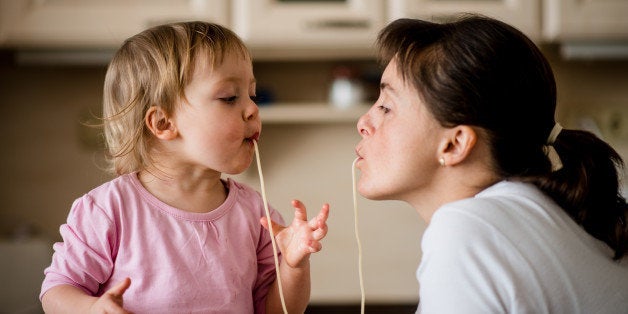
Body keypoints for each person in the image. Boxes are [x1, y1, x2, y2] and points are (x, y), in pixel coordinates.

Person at [40, 21, 329, 313]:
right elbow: (56, 293)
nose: (253, 108)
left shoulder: (256, 215)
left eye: (251, 95)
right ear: (164, 124)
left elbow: (277, 310)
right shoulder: (109, 210)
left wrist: (294, 266)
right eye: (229, 97)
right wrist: (91, 309)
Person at [354, 14, 628, 313]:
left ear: (455, 144)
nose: (363, 123)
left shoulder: (466, 232)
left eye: (386, 107)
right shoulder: (541, 212)